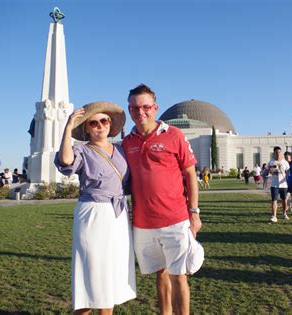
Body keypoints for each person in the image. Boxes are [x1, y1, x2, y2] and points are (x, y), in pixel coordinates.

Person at [122, 84, 201, 315]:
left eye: (146, 107)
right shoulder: (128, 143)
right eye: (135, 108)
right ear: (130, 110)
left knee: (179, 275)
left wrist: (194, 212)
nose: (141, 112)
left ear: (155, 108)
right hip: (143, 223)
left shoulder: (173, 134)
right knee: (161, 272)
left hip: (175, 219)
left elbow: (190, 175)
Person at [54, 101, 136, 313]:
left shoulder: (121, 149)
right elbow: (65, 161)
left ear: (110, 124)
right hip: (93, 213)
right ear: (86, 128)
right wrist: (68, 126)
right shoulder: (82, 150)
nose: (100, 125)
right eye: (94, 123)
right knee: (91, 270)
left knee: (111, 270)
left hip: (118, 213)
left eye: (104, 120)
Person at [267, 146, 290, 222]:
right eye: (276, 152)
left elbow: (288, 172)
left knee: (284, 200)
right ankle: (274, 216)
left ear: (281, 153)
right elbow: (267, 171)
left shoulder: (285, 162)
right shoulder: (271, 162)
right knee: (274, 200)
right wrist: (271, 170)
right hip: (274, 184)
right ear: (274, 153)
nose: (278, 153)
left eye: (279, 152)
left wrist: (283, 172)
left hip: (283, 184)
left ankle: (284, 213)